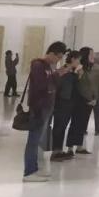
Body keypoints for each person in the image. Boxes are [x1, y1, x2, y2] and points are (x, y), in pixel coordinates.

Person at [23, 41, 68, 182]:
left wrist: (57, 74)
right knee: (33, 140)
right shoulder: (38, 65)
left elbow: (53, 85)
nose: (58, 60)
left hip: (47, 107)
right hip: (39, 108)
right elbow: (42, 85)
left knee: (37, 140)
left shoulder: (48, 67)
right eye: (58, 57)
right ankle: (29, 172)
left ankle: (34, 169)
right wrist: (57, 74)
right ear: (51, 53)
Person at [50, 50, 82, 161]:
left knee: (62, 127)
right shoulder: (64, 70)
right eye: (78, 60)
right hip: (63, 102)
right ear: (73, 59)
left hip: (68, 102)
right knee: (59, 127)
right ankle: (55, 152)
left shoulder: (72, 71)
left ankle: (59, 150)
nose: (79, 62)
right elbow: (61, 84)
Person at [65, 46, 96, 155]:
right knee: (76, 123)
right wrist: (89, 99)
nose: (93, 56)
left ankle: (79, 146)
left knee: (82, 124)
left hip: (87, 100)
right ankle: (70, 147)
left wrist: (93, 98)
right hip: (80, 100)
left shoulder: (88, 69)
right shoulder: (80, 68)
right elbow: (81, 86)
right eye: (91, 54)